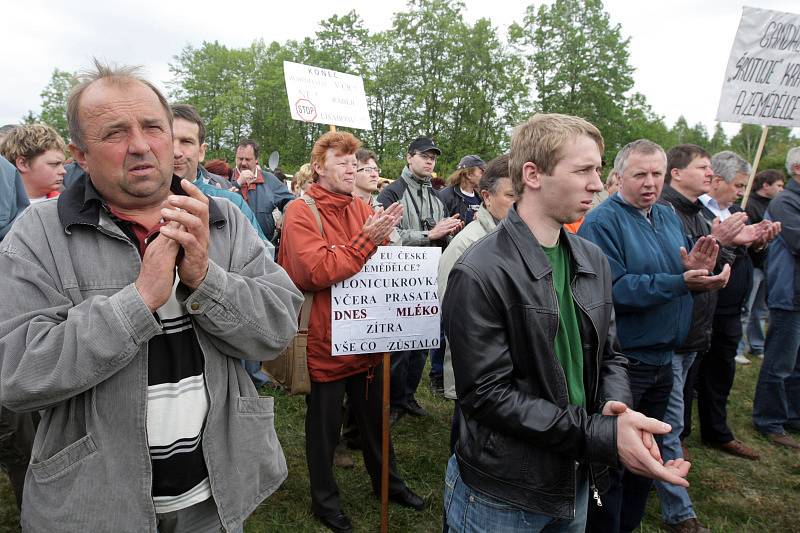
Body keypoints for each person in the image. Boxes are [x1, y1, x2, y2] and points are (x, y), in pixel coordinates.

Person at [0, 61, 303, 532]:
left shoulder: (222, 218)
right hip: (95, 507)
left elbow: (277, 331)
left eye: (153, 128)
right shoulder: (38, 233)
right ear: (79, 153)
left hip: (215, 498)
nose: (140, 145)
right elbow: (17, 374)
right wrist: (138, 301)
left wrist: (205, 278)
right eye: (115, 133)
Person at [444, 115, 690, 533]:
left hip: (574, 474)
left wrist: (616, 410)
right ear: (533, 174)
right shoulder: (480, 269)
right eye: (583, 170)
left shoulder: (591, 258)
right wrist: (601, 435)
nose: (597, 183)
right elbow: (486, 395)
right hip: (503, 491)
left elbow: (611, 355)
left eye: (598, 169)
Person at [278, 131, 424, 533]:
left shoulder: (362, 207)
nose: (352, 168)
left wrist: (394, 253)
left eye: (354, 161)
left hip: (369, 338)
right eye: (342, 161)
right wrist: (366, 242)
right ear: (319, 166)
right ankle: (325, 502)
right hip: (326, 342)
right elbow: (317, 270)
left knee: (375, 421)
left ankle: (389, 485)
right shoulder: (300, 212)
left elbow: (380, 265)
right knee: (324, 431)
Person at [579, 139, 724, 533]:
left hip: (666, 358)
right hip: (626, 363)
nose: (650, 183)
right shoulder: (603, 221)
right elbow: (614, 290)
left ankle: (628, 525)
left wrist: (696, 270)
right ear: (619, 176)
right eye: (640, 174)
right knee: (616, 461)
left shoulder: (665, 214)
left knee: (652, 457)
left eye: (656, 174)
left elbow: (675, 271)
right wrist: (680, 283)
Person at [171, 103, 277, 386]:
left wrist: (219, 278)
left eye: (186, 141)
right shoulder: (136, 206)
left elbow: (265, 259)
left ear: (201, 150)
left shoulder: (228, 204)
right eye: (168, 139)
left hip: (221, 345)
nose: (176, 151)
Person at [696, 151, 778, 461]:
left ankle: (717, 431)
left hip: (731, 307)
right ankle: (679, 435)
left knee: (722, 370)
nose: (742, 192)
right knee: (691, 374)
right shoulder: (696, 212)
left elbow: (755, 259)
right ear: (717, 181)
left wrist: (759, 242)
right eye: (739, 185)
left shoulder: (737, 212)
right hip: (704, 306)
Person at [377, 136, 462, 424]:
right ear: (409, 157)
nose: (429, 161)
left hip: (429, 279)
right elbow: (389, 236)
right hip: (400, 279)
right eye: (424, 156)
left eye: (433, 157)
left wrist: (451, 231)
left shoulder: (436, 198)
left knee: (423, 343)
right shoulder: (391, 193)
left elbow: (441, 237)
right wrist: (430, 235)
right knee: (400, 345)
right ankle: (393, 401)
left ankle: (408, 396)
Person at [437, 153, 516, 404]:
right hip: (479, 369)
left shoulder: (517, 235)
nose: (519, 204)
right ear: (487, 197)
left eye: (523, 196)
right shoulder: (466, 246)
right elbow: (453, 316)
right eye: (511, 195)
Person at [752, 147, 800, 449]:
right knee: (780, 362)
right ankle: (769, 419)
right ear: (798, 168)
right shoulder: (785, 201)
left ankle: (792, 414)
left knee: (797, 364)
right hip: (789, 292)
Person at [738, 169, 785, 364]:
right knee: (745, 308)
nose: (781, 189)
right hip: (752, 265)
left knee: (761, 309)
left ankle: (756, 345)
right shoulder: (748, 204)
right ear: (766, 185)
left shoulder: (776, 205)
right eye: (779, 185)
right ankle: (738, 348)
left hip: (768, 264)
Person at [233, 138, 295, 242]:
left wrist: (285, 215)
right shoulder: (226, 178)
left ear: (256, 159)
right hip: (234, 246)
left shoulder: (269, 180)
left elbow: (290, 201)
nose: (243, 163)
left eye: (248, 159)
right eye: (240, 159)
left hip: (264, 247)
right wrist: (237, 183)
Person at [0, 123, 66, 202]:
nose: (64, 171)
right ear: (23, 164)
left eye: (62, 164)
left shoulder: (68, 203)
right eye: (54, 164)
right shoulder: (4, 206)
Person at [438, 154, 486, 224]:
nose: (484, 176)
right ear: (469, 174)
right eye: (482, 172)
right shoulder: (445, 196)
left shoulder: (481, 198)